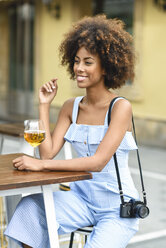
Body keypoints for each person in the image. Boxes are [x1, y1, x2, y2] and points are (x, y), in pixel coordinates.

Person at [5, 15, 139, 248]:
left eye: (88, 62)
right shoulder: (71, 107)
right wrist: (44, 105)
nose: (79, 68)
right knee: (30, 209)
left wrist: (40, 165)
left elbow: (97, 162)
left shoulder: (120, 107)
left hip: (118, 208)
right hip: (79, 200)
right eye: (77, 61)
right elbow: (48, 153)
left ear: (106, 66)